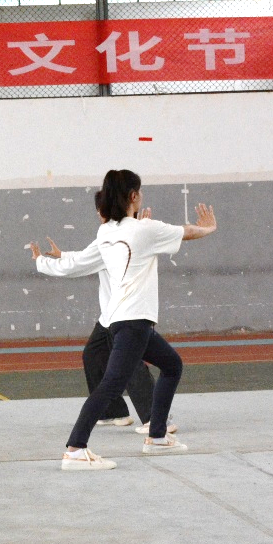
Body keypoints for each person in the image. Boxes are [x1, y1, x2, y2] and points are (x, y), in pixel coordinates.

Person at [53, 170, 217, 471]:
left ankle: (157, 437)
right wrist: (208, 228)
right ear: (133, 196)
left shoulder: (106, 232)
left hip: (122, 320)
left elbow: (83, 260)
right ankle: (75, 449)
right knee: (111, 384)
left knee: (172, 365)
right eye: (139, 191)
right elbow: (187, 231)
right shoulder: (145, 229)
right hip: (134, 321)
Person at [31, 192, 158, 433]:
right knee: (94, 354)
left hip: (126, 314)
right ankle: (113, 412)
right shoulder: (118, 233)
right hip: (111, 315)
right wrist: (63, 255)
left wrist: (40, 261)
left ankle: (157, 419)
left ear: (103, 211)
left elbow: (75, 266)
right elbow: (86, 258)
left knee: (131, 365)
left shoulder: (111, 238)